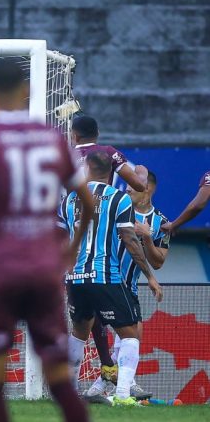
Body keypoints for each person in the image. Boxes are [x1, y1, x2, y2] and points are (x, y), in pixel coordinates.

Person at [0, 58, 94, 422]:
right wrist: (73, 247)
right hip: (45, 270)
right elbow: (88, 201)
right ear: (27, 91)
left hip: (0, 270)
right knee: (60, 379)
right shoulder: (53, 140)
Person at [60, 151, 162, 407]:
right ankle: (124, 394)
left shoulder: (69, 199)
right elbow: (129, 240)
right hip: (105, 275)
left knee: (78, 334)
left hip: (75, 276)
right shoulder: (118, 199)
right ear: (112, 173)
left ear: (86, 169)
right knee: (129, 334)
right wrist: (150, 276)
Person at [71, 115, 148, 388]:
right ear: (98, 133)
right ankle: (124, 380)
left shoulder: (65, 156)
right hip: (106, 232)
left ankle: (104, 369)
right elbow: (138, 185)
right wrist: (141, 172)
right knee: (123, 314)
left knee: (84, 314)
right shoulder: (109, 154)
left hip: (70, 234)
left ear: (73, 135)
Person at [83, 171, 167, 403]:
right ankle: (122, 386)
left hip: (128, 287)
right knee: (125, 333)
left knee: (131, 335)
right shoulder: (115, 206)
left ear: (147, 188)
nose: (128, 188)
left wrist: (147, 238)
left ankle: (101, 388)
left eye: (134, 184)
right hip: (103, 281)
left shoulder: (161, 221)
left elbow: (159, 261)